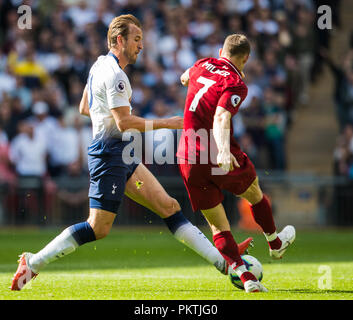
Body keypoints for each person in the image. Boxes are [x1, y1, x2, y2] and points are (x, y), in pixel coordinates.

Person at [11, 15, 252, 291]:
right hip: (109, 154)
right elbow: (124, 122)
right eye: (137, 40)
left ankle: (224, 262)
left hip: (121, 152)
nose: (141, 46)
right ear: (120, 40)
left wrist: (107, 119)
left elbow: (84, 107)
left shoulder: (99, 65)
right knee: (97, 228)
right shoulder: (115, 75)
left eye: (142, 40)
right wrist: (170, 122)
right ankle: (33, 262)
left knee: (169, 206)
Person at [177, 33, 296, 293]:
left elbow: (184, 76)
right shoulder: (236, 83)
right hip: (217, 153)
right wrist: (221, 151)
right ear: (246, 59)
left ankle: (246, 278)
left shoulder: (201, 63)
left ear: (221, 51)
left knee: (217, 225)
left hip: (187, 155)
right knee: (254, 193)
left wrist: (190, 78)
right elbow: (221, 117)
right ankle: (274, 243)